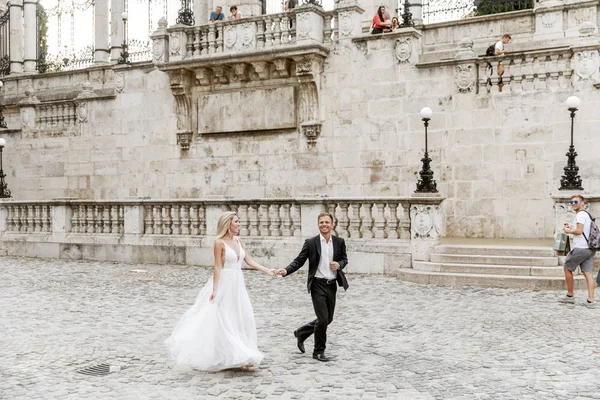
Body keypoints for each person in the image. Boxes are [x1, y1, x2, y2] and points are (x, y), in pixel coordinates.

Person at [165, 212, 275, 370]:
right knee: (224, 318)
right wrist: (215, 289)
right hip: (225, 282)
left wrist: (267, 270)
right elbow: (217, 267)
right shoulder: (219, 243)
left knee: (241, 316)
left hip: (238, 283)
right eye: (236, 221)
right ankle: (231, 356)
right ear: (228, 224)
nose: (239, 224)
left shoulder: (238, 240)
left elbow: (249, 260)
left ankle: (239, 354)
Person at [274, 213, 349, 362]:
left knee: (328, 319)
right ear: (318, 225)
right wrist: (286, 270)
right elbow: (299, 261)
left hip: (331, 284)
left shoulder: (339, 242)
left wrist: (339, 264)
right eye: (321, 222)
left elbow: (344, 259)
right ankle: (318, 351)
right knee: (322, 319)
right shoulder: (311, 242)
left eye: (327, 222)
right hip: (317, 284)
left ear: (332, 225)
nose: (324, 225)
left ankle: (301, 332)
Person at [560, 195, 596, 308]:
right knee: (588, 273)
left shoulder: (580, 214)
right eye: (571, 202)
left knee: (567, 268)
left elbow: (579, 231)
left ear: (582, 203)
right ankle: (590, 300)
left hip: (581, 247)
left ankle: (570, 295)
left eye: (575, 202)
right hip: (590, 248)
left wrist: (568, 230)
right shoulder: (586, 215)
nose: (573, 204)